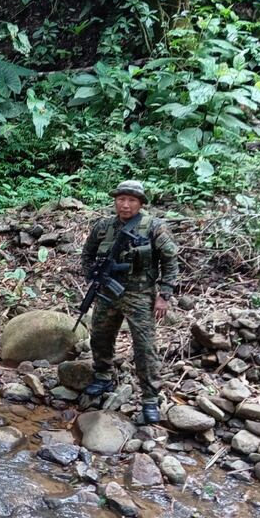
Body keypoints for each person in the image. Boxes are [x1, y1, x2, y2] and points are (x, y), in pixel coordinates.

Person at [80, 180, 179, 424]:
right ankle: (103, 376)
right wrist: (92, 275)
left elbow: (170, 261)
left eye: (132, 201)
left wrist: (164, 295)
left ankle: (149, 399)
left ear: (141, 203)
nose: (125, 205)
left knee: (145, 347)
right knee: (100, 336)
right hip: (107, 292)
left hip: (139, 294)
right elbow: (87, 253)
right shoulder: (103, 226)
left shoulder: (155, 227)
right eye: (121, 199)